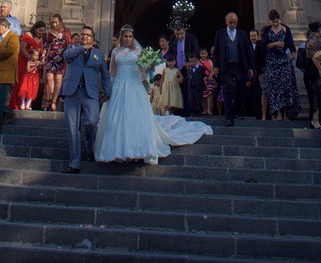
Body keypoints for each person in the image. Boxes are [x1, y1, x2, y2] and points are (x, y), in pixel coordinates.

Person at [94, 25, 212, 165]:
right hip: (119, 86)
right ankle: (118, 150)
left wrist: (148, 67)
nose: (128, 39)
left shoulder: (138, 51)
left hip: (134, 86)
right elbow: (112, 72)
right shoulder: (115, 52)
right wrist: (108, 88)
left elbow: (142, 71)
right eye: (125, 36)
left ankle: (135, 150)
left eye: (130, 36)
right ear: (121, 37)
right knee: (116, 118)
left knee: (134, 117)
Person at [59, 24, 112, 173]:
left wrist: (108, 90)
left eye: (88, 35)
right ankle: (75, 162)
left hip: (90, 94)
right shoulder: (72, 49)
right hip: (72, 92)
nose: (84, 37)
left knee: (92, 123)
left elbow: (105, 75)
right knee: (72, 127)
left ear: (93, 39)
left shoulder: (99, 55)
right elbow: (66, 56)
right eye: (83, 34)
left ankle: (90, 149)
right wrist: (83, 48)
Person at [212, 12, 254, 126]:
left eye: (234, 22)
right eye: (230, 22)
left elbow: (247, 52)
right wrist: (215, 66)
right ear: (226, 22)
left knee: (242, 89)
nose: (232, 24)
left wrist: (250, 67)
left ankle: (235, 109)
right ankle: (228, 117)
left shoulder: (243, 34)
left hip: (239, 65)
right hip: (226, 66)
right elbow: (216, 52)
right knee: (228, 90)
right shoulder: (220, 34)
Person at [260, 10, 301, 121]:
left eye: (277, 21)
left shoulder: (286, 29)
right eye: (273, 22)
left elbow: (291, 44)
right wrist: (276, 43)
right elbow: (264, 46)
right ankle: (277, 113)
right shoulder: (267, 30)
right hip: (272, 62)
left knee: (286, 87)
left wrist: (293, 54)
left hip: (284, 60)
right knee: (274, 88)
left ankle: (286, 113)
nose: (275, 24)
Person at [10, 20, 45, 110]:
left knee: (30, 84)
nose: (41, 32)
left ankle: (27, 104)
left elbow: (40, 50)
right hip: (23, 61)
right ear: (35, 29)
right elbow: (22, 48)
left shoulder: (41, 38)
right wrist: (29, 59)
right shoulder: (28, 35)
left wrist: (40, 60)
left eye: (42, 31)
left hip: (33, 62)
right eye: (39, 30)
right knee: (21, 82)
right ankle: (16, 104)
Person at [42, 14, 72, 111]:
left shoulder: (66, 32)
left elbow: (69, 44)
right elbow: (46, 46)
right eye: (52, 23)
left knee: (59, 79)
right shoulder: (49, 33)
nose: (54, 24)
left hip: (62, 58)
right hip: (51, 58)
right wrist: (43, 57)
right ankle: (47, 100)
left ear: (60, 22)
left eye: (56, 22)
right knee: (49, 78)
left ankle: (54, 101)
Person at [303, 21, 321, 129]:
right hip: (313, 69)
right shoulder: (314, 40)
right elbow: (315, 57)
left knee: (317, 95)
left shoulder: (312, 39)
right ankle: (315, 120)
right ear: (320, 29)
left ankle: (317, 119)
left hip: (311, 69)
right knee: (315, 95)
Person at [245, 29, 263, 119]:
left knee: (264, 95)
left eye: (254, 36)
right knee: (255, 97)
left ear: (258, 36)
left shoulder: (262, 45)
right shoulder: (247, 48)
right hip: (253, 76)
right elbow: (246, 63)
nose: (253, 38)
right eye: (251, 36)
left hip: (262, 75)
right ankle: (257, 115)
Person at [183, 52, 205, 117]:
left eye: (193, 61)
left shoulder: (201, 68)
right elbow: (188, 78)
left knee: (198, 100)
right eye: (190, 61)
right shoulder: (189, 69)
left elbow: (204, 76)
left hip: (198, 87)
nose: (192, 63)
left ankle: (198, 113)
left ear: (197, 60)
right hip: (191, 87)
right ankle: (192, 112)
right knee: (190, 99)